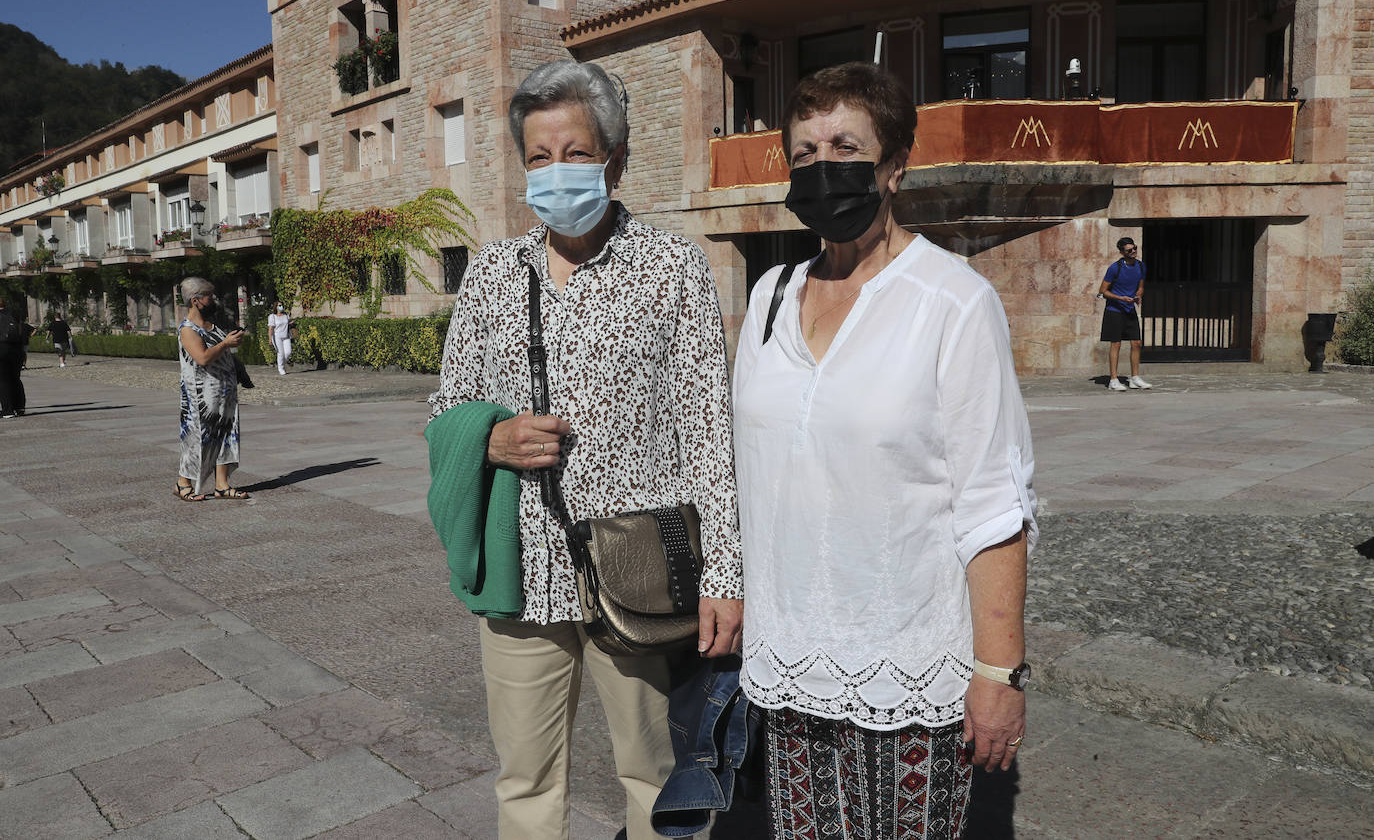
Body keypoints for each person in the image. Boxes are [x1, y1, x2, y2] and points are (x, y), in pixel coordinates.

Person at [428, 60, 742, 840]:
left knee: (657, 774)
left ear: (615, 159)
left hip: (639, 572)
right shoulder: (494, 274)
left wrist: (727, 577)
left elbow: (710, 430)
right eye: (538, 157)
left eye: (575, 152)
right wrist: (490, 437)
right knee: (526, 780)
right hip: (522, 573)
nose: (556, 172)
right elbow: (445, 409)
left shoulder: (672, 268)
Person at [732, 62, 1038, 840]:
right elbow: (747, 471)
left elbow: (992, 503)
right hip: (790, 662)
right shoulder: (767, 297)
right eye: (803, 153)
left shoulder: (953, 301)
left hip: (908, 667)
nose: (821, 166)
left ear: (895, 165)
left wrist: (998, 674)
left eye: (844, 145)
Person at [175, 277, 249, 501]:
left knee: (227, 435)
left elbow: (221, 352)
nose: (213, 300)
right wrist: (226, 343)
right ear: (196, 300)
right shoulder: (188, 330)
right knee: (197, 438)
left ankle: (222, 485)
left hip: (224, 393)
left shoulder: (212, 326)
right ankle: (182, 483)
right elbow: (203, 358)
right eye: (209, 296)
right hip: (201, 397)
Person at [1099, 236, 1151, 391]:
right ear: (1122, 252)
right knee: (1116, 344)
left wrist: (1138, 295)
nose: (1134, 251)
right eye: (1129, 250)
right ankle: (1113, 380)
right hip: (1114, 310)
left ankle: (1134, 377)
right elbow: (1103, 291)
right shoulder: (1115, 268)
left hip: (1130, 309)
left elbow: (1141, 286)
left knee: (1136, 343)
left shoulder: (1141, 267)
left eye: (1135, 248)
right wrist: (1120, 298)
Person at [0, 296, 25, 418]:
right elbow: (21, 331)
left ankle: (7, 410)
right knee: (15, 378)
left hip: (1, 348)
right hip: (16, 349)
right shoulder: (14, 313)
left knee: (3, 380)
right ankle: (19, 407)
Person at [267, 301, 292, 375]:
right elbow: (271, 328)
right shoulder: (272, 316)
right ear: (276, 307)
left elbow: (288, 323)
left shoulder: (286, 315)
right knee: (281, 353)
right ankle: (281, 368)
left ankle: (282, 364)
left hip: (286, 336)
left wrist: (291, 323)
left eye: (282, 305)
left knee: (288, 352)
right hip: (277, 336)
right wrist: (270, 339)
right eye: (279, 305)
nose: (281, 307)